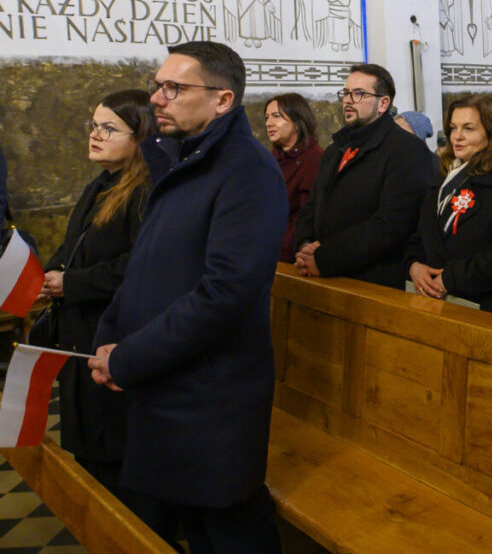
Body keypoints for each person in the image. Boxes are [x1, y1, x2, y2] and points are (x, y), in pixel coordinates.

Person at [88, 41, 288, 554]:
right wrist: (111, 336)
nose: (157, 97)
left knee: (228, 526)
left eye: (174, 88)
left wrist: (131, 356)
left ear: (222, 100)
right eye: (158, 84)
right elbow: (145, 266)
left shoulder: (248, 170)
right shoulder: (178, 162)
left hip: (211, 395)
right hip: (166, 380)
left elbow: (226, 292)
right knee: (189, 528)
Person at [39, 90, 155, 515]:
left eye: (109, 128)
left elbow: (140, 265)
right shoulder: (102, 183)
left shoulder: (146, 191)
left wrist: (74, 283)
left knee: (116, 459)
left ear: (140, 136)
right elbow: (78, 244)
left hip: (113, 336)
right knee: (90, 452)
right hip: (80, 335)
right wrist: (50, 273)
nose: (95, 135)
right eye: (94, 125)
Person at [292, 64, 434, 287]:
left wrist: (325, 257)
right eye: (346, 93)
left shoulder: (406, 150)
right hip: (323, 273)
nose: (348, 100)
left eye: (359, 94)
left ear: (383, 103)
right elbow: (312, 206)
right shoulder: (334, 150)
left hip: (373, 281)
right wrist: (304, 246)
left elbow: (391, 225)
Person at [406, 95, 492, 314]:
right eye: (453, 128)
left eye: (469, 129)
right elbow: (420, 235)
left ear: (491, 133)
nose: (457, 137)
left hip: (481, 306)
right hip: (432, 300)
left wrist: (451, 278)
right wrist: (414, 266)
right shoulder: (443, 177)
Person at [264, 94, 323, 263]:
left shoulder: (314, 159)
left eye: (276, 116)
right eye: (267, 117)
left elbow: (306, 217)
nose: (269, 123)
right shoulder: (270, 159)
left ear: (297, 122)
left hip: (289, 252)